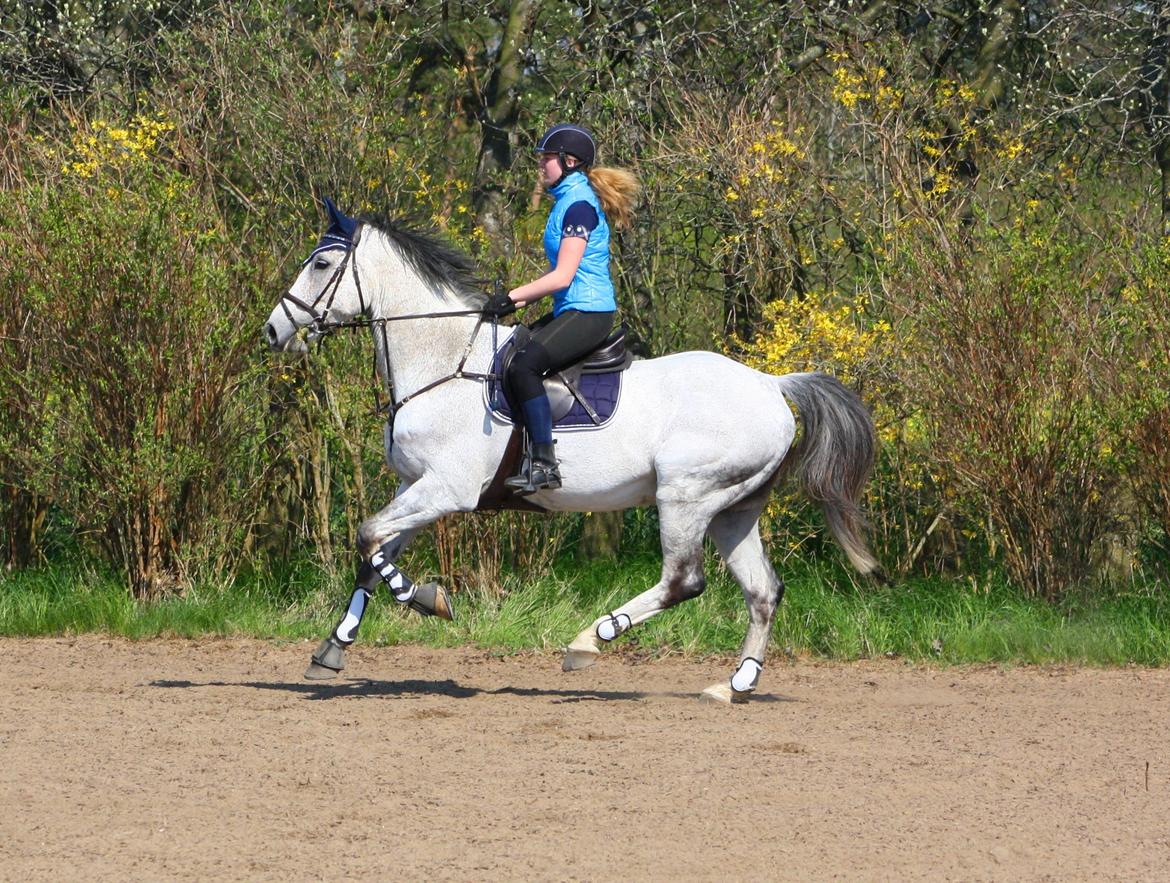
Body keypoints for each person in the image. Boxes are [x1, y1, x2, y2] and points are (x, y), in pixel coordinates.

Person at [482, 123, 640, 494]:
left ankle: (544, 465)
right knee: (512, 351)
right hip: (573, 307)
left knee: (524, 366)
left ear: (569, 162)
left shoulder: (579, 207)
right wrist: (512, 302)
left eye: (547, 159)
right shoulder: (568, 202)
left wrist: (513, 295)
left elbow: (563, 276)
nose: (541, 166)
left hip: (590, 312)